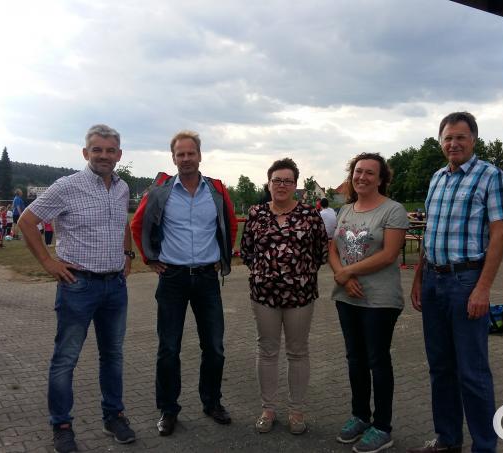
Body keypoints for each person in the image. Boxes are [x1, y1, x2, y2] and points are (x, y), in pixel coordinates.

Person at [17, 124, 135, 453]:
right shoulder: (66, 187)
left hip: (115, 286)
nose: (104, 156)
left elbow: (122, 221)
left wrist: (127, 253)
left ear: (119, 155)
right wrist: (48, 262)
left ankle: (114, 416)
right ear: (86, 153)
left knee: (113, 356)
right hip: (78, 286)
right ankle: (62, 425)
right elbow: (26, 221)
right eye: (97, 150)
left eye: (111, 150)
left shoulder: (123, 188)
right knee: (66, 358)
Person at [407, 112, 503, 453]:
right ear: (441, 142)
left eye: (461, 137)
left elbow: (499, 236)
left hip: (467, 281)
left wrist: (483, 288)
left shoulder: (490, 176)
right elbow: (429, 232)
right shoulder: (437, 178)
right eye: (448, 138)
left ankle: (484, 446)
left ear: (474, 141)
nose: (454, 143)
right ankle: (448, 439)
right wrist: (420, 276)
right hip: (434, 280)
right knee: (440, 367)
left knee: (472, 371)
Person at [131, 130, 238, 437]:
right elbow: (138, 224)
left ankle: (212, 402)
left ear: (200, 155)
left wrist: (223, 253)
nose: (186, 159)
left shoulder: (216, 190)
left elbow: (229, 223)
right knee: (168, 348)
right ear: (173, 158)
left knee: (214, 348)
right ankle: (168, 409)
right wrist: (149, 258)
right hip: (173, 279)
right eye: (181, 154)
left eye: (191, 153)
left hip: (206, 278)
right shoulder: (161, 191)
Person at [240, 158, 328, 435]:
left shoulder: (310, 216)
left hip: (300, 296)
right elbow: (246, 250)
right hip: (264, 295)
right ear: (268, 183)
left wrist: (296, 273)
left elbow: (320, 252)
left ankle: (296, 411)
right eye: (276, 180)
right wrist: (264, 272)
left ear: (295, 185)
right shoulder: (256, 214)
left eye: (287, 181)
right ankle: (268, 408)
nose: (281, 185)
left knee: (298, 352)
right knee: (267, 351)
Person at [329, 153, 409, 453]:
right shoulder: (346, 210)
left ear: (381, 178)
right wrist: (343, 276)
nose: (362, 177)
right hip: (346, 297)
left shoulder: (393, 210)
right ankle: (360, 416)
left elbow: (389, 254)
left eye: (369, 173)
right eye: (358, 171)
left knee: (377, 359)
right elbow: (333, 249)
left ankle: (382, 425)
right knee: (355, 359)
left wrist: (348, 271)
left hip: (379, 300)